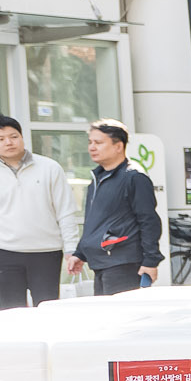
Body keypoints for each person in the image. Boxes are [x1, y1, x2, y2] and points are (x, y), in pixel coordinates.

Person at [0, 114, 79, 309]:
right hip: (5, 253)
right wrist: (6, 229)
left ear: (22, 137)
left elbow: (65, 211)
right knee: (11, 312)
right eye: (0, 139)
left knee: (47, 309)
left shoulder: (50, 168)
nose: (9, 142)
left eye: (14, 136)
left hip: (46, 252)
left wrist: (71, 249)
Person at [72, 122, 161, 295]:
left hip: (123, 263)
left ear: (118, 146)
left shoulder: (134, 177)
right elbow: (94, 220)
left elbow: (148, 220)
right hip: (101, 263)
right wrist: (80, 253)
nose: (92, 147)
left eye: (98, 143)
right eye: (90, 142)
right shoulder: (97, 178)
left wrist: (151, 261)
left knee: (122, 318)